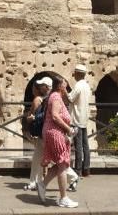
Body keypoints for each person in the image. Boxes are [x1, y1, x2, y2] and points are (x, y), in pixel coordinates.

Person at [38, 77, 77, 208]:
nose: (67, 87)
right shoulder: (55, 97)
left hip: (55, 133)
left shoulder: (56, 96)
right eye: (65, 85)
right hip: (55, 133)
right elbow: (55, 115)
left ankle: (42, 185)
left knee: (62, 164)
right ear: (60, 86)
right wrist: (68, 129)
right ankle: (63, 198)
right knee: (62, 165)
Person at [22, 76, 51, 194]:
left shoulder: (44, 99)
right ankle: (34, 182)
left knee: (55, 159)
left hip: (44, 132)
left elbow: (42, 115)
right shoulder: (45, 99)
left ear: (46, 87)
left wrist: (31, 118)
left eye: (37, 87)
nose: (34, 89)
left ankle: (72, 177)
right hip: (42, 132)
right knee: (37, 158)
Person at [69, 65, 91, 179]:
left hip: (77, 118)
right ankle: (86, 169)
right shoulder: (87, 85)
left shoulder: (78, 85)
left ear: (78, 73)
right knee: (85, 145)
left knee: (78, 146)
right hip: (84, 118)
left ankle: (78, 170)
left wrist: (64, 92)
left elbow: (71, 98)